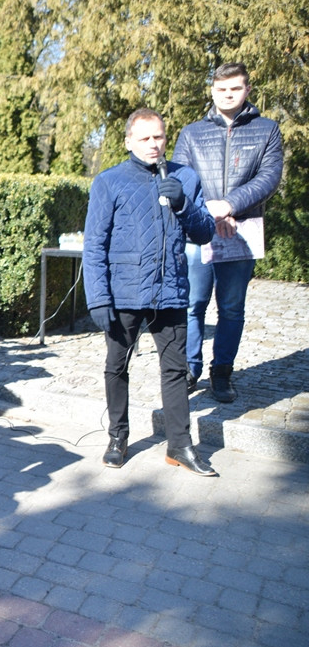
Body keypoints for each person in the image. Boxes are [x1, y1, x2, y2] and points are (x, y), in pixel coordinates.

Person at [83, 108, 217, 476]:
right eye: (144, 138)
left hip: (171, 290)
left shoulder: (184, 177)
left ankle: (180, 446)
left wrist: (183, 204)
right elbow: (94, 245)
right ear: (128, 141)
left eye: (158, 137)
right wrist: (98, 297)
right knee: (117, 365)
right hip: (124, 293)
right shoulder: (109, 182)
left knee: (175, 370)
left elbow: (205, 232)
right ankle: (117, 436)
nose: (153, 144)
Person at [172, 62, 284, 403]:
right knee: (191, 304)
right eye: (221, 89)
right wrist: (208, 212)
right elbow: (180, 181)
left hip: (241, 230)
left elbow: (268, 178)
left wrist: (230, 205)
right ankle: (189, 370)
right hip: (198, 232)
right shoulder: (191, 133)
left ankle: (222, 372)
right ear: (212, 91)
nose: (227, 94)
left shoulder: (267, 130)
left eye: (235, 89)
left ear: (247, 90)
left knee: (232, 307)